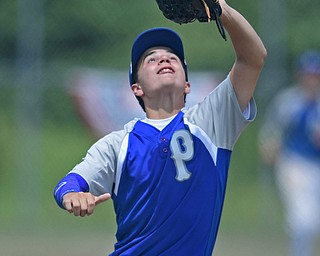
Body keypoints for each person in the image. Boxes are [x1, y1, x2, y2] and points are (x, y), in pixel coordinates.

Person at [54, 1, 266, 255]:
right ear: (137, 88)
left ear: (187, 85)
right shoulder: (118, 143)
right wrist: (72, 196)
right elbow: (70, 183)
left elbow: (253, 58)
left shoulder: (211, 123)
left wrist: (222, 9)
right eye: (150, 59)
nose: (163, 58)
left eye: (173, 57)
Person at [259, 50, 320, 256]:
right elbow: (271, 133)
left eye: (315, 75)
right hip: (294, 164)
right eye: (308, 74)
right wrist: (269, 148)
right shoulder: (288, 102)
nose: (311, 79)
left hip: (316, 166)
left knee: (312, 220)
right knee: (303, 221)